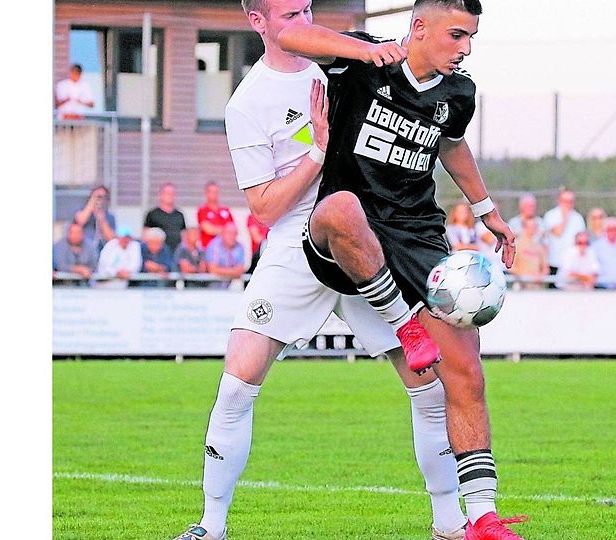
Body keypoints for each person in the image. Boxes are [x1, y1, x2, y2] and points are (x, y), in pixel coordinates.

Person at [173, 3, 469, 540]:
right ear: (257, 21)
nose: (305, 20)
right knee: (237, 383)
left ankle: (450, 525)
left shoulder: (342, 62)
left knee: (429, 388)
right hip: (294, 242)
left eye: (309, 8)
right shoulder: (248, 103)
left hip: (366, 240)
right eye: (290, 13)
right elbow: (263, 209)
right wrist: (318, 151)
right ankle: (210, 528)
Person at [280, 1, 529, 537]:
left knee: (466, 373)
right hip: (344, 231)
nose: (465, 49)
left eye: (471, 39)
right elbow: (289, 33)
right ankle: (404, 323)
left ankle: (481, 518)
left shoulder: (458, 93)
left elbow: (453, 147)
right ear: (419, 28)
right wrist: (366, 50)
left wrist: (489, 214)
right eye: (457, 35)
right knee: (342, 207)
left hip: (417, 236)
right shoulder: (362, 59)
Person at [542, 189, 585, 283]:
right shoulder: (551, 215)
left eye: (571, 201)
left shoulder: (578, 218)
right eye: (566, 201)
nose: (568, 204)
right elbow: (558, 232)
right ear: (560, 201)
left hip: (571, 266)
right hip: (554, 262)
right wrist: (565, 217)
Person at [144, 182, 187, 251]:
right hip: (160, 255)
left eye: (172, 193)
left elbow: (184, 235)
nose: (170, 195)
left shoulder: (179, 215)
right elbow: (145, 235)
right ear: (161, 194)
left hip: (176, 253)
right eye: (167, 193)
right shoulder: (152, 214)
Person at [74, 185, 116, 254]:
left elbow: (111, 239)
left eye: (102, 197)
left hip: (103, 251)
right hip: (84, 251)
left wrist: (102, 220)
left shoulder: (110, 217)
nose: (99, 199)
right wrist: (91, 205)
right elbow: (80, 221)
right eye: (97, 196)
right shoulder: (81, 211)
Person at [204, 222, 246, 289]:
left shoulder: (239, 247)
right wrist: (233, 271)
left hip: (227, 289)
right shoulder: (214, 246)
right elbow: (212, 269)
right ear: (223, 233)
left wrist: (221, 270)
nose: (232, 236)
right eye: (229, 233)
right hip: (209, 288)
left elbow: (240, 271)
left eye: (235, 234)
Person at [509, 218, 548, 290]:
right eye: (530, 227)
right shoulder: (517, 244)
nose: (533, 229)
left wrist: (541, 276)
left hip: (537, 286)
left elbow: (545, 268)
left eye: (535, 227)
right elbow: (510, 267)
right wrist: (526, 276)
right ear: (524, 227)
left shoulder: (539, 246)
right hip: (521, 286)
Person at [197, 181, 237, 249]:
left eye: (216, 192)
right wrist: (225, 231)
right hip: (209, 249)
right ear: (206, 193)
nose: (214, 194)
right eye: (211, 192)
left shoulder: (225, 210)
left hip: (226, 249)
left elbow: (233, 228)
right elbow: (208, 229)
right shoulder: (202, 210)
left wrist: (220, 230)